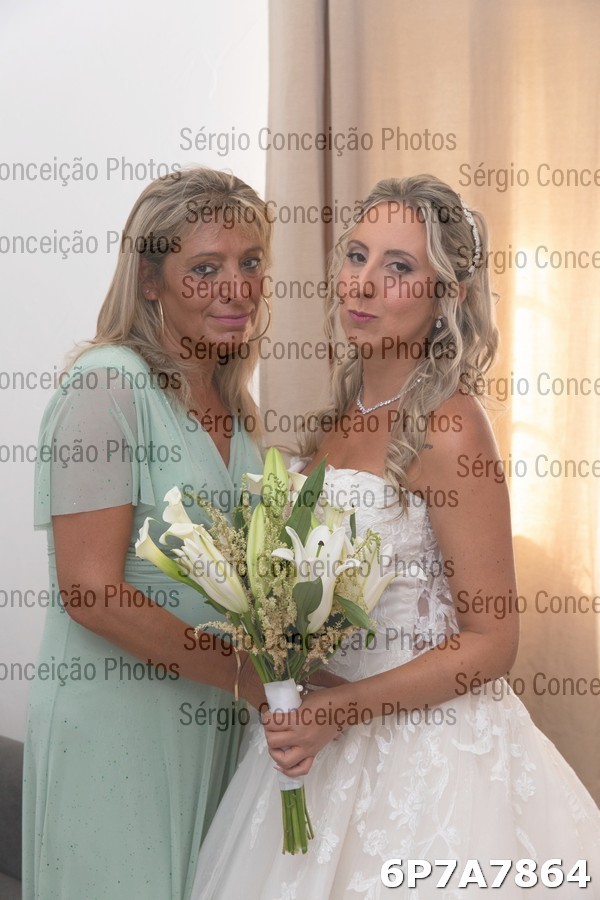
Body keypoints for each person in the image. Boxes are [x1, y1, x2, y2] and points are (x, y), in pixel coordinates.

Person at [190, 175, 600, 898]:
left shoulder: (451, 426)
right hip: (317, 745)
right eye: (357, 256)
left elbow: (492, 642)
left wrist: (338, 711)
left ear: (447, 296)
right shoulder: (341, 416)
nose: (365, 282)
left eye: (399, 266)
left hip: (429, 762)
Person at [23, 167, 274, 900]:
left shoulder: (236, 406)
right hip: (118, 725)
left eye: (250, 262)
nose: (237, 287)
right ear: (150, 280)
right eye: (206, 268)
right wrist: (246, 676)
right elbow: (91, 592)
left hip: (213, 723)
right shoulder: (108, 384)